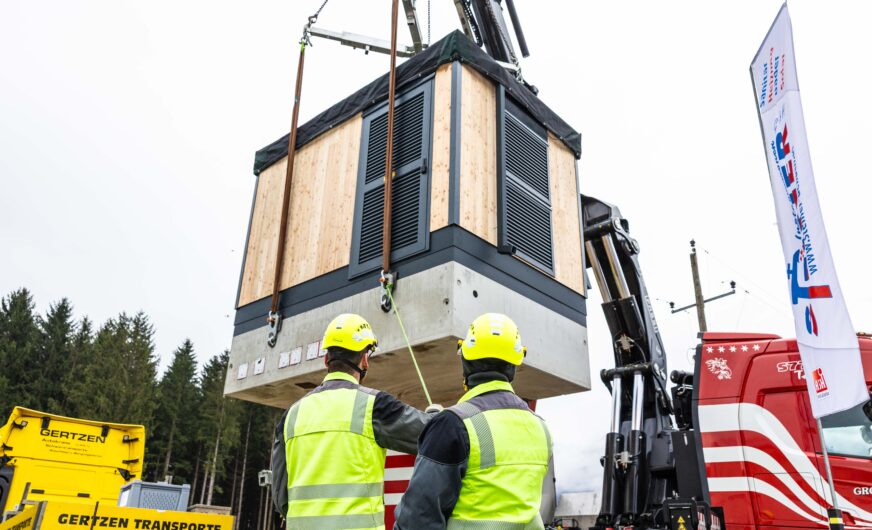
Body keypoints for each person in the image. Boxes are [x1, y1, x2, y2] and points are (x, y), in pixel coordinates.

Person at [270, 313, 433, 530]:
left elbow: (281, 498)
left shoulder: (292, 414)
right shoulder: (374, 406)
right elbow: (432, 436)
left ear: (326, 359)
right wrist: (436, 418)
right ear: (365, 359)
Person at [394, 313, 554, 530]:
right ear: (515, 365)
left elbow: (418, 519)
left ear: (465, 361)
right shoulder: (541, 428)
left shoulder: (453, 425)